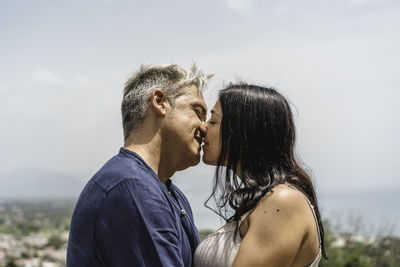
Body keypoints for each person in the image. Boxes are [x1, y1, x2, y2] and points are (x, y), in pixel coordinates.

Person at [67, 64, 212, 267]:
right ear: (160, 102)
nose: (204, 127)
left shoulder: (167, 192)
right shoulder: (132, 187)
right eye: (198, 112)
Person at [194, 83, 328, 267]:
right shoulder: (266, 201)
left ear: (242, 132)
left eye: (214, 121)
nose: (203, 127)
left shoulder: (283, 202)